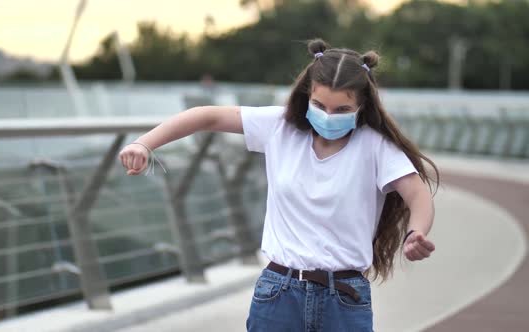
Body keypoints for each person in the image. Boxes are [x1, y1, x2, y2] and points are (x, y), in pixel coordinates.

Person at [118, 38, 439, 332]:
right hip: (278, 292)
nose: (328, 116)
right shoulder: (279, 127)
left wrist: (416, 233)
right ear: (306, 96)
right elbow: (206, 117)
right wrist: (144, 145)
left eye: (342, 110)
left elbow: (417, 194)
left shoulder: (375, 147)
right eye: (320, 105)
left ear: (361, 107)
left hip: (344, 298)